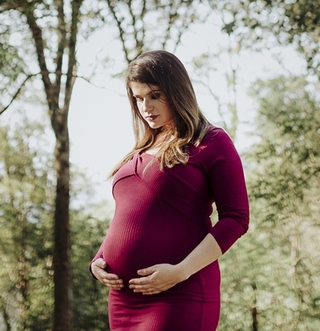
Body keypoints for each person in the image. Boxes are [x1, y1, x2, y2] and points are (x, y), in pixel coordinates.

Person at [89, 50, 250, 331]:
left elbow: (236, 219)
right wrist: (99, 260)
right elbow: (128, 216)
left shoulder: (211, 142)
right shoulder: (141, 148)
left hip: (181, 292)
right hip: (123, 299)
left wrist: (180, 272)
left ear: (176, 91)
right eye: (138, 98)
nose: (145, 107)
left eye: (154, 95)